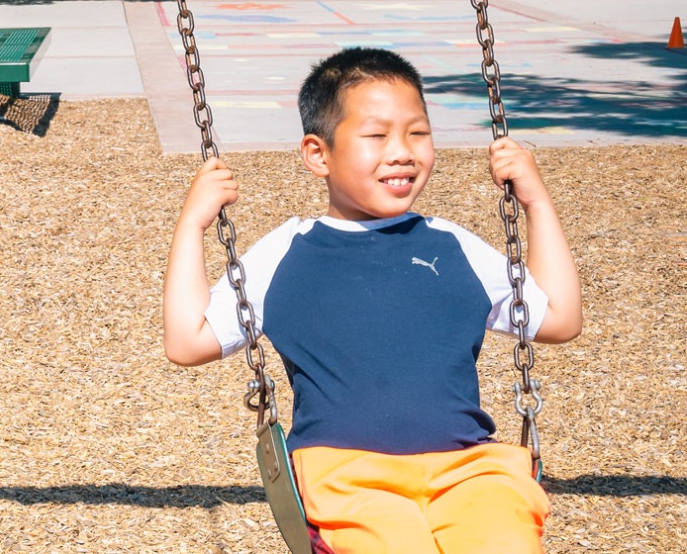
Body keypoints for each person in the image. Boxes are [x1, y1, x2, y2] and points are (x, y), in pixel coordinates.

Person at [161, 48, 582, 553]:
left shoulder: (453, 244)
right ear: (319, 154)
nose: (402, 151)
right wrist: (192, 225)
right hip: (346, 474)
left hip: (470, 469)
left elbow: (559, 319)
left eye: (417, 133)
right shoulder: (286, 253)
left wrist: (535, 201)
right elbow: (188, 342)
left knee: (506, 540)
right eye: (377, 136)